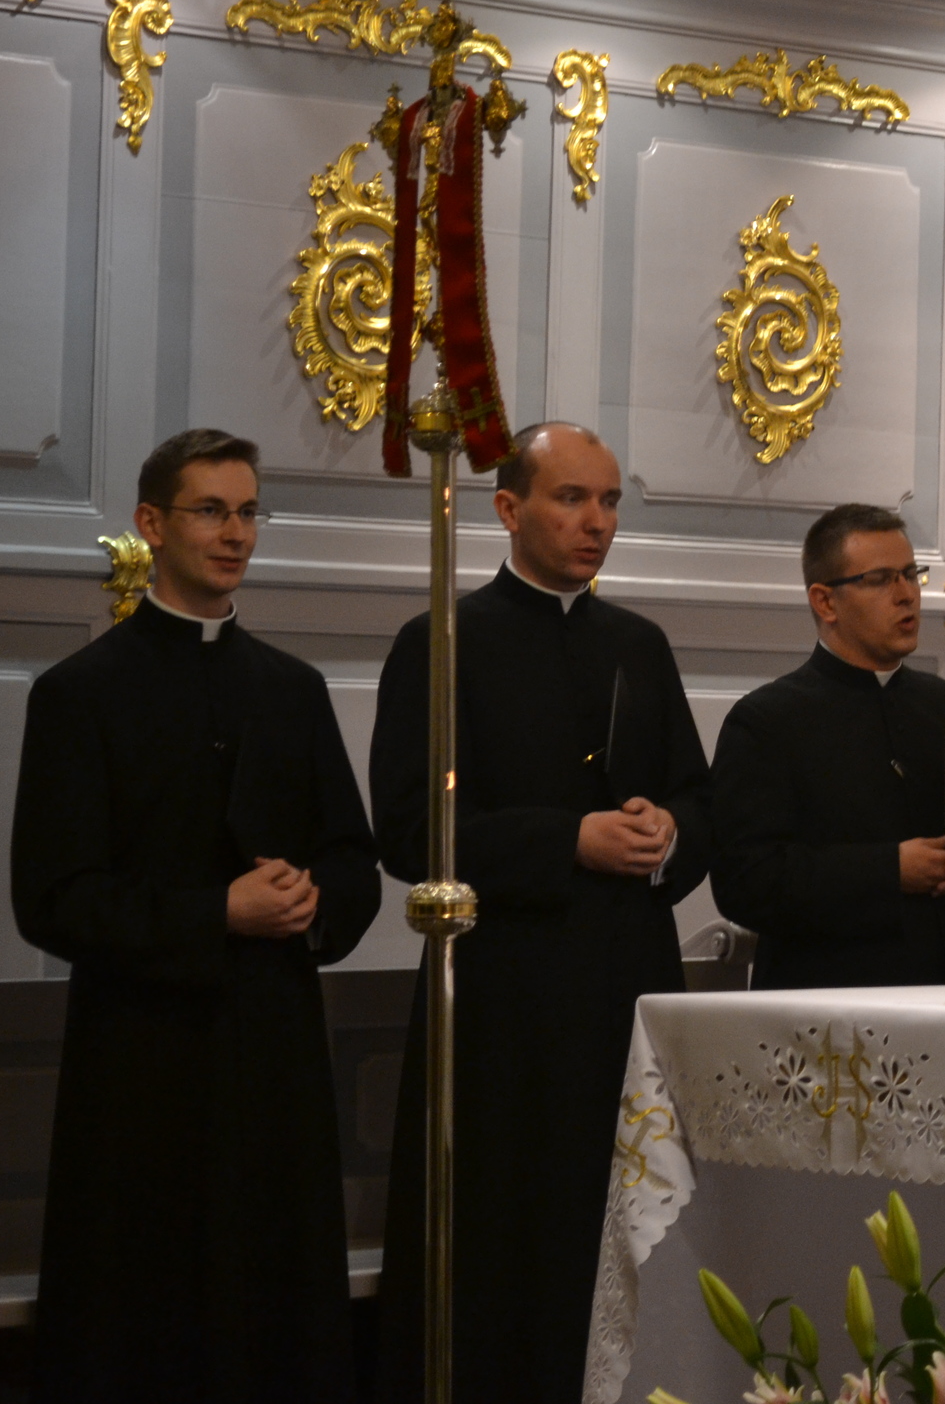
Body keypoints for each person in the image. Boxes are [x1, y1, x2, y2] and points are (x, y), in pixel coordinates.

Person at [11, 428, 379, 1403]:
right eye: (211, 511)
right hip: (140, 1068)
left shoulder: (292, 690)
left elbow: (354, 861)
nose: (235, 533)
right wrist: (217, 910)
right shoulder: (79, 695)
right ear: (151, 523)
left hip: (275, 1059)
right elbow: (50, 897)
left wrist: (312, 900)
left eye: (249, 512)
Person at [371, 422, 716, 1404]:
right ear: (507, 508)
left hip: (626, 994)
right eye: (571, 498)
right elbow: (412, 829)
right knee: (507, 1249)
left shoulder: (639, 645)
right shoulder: (442, 640)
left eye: (609, 501)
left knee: (625, 1228)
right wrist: (569, 841)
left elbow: (700, 800)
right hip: (502, 1008)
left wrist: (668, 833)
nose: (596, 521)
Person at [708, 503, 945, 988]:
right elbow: (746, 880)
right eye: (881, 579)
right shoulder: (765, 720)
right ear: (825, 602)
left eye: (911, 574)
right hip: (825, 996)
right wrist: (891, 870)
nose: (907, 594)